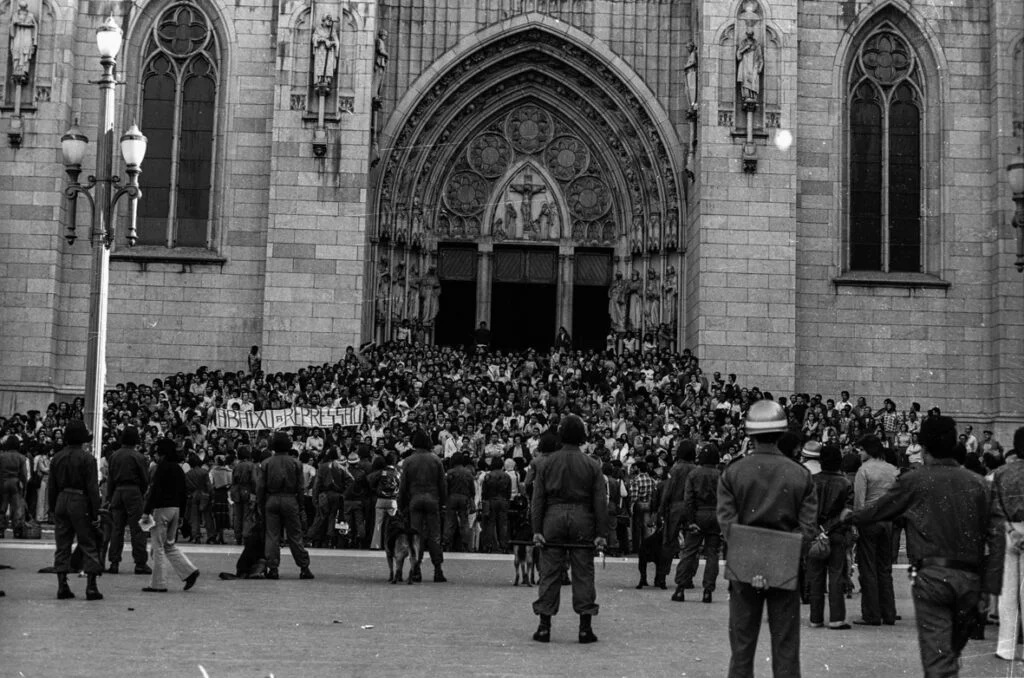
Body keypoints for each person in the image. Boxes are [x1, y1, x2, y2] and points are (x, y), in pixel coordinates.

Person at [845, 416, 1004, 676]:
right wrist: (991, 587)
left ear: (924, 445)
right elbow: (997, 536)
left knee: (939, 660)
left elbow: (878, 510)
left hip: (931, 577)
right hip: (971, 581)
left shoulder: (916, 480)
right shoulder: (978, 484)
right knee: (950, 653)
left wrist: (849, 517)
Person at [717, 400, 818, 678]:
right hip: (785, 570)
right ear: (782, 432)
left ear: (749, 434)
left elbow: (727, 524)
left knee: (741, 649)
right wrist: (773, 565)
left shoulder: (733, 472)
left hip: (743, 570)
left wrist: (755, 565)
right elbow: (807, 529)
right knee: (786, 649)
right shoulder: (801, 475)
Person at [530, 414, 608, 644]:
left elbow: (538, 501)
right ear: (583, 436)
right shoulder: (592, 465)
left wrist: (536, 529)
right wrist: (601, 534)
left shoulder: (546, 463)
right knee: (583, 572)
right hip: (583, 517)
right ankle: (585, 628)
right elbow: (600, 504)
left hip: (552, 517)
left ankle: (544, 626)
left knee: (550, 572)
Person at [48, 421, 104, 600]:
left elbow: (52, 486)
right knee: (88, 542)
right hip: (80, 500)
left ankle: (62, 584)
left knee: (62, 544)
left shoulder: (57, 457)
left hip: (61, 500)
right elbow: (92, 488)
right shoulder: (87, 459)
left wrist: (52, 508)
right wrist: (96, 511)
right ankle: (91, 586)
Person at [141, 439, 200, 593]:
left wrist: (147, 511)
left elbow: (154, 492)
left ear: (162, 454)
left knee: (158, 546)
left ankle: (159, 584)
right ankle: (189, 571)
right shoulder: (179, 469)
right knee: (169, 544)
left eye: (157, 453)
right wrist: (181, 514)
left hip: (161, 510)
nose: (156, 455)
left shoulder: (162, 468)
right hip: (175, 509)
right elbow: (183, 493)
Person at [852, 434, 898, 626]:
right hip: (888, 522)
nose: (860, 453)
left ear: (868, 451)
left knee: (868, 568)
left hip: (869, 522)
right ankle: (889, 613)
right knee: (884, 568)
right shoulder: (892, 470)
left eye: (862, 450)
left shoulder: (864, 470)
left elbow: (859, 503)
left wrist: (855, 525)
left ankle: (872, 614)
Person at [806, 444, 853, 630]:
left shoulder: (811, 481)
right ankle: (836, 618)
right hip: (837, 533)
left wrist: (818, 529)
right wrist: (830, 527)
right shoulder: (845, 483)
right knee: (835, 575)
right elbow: (848, 511)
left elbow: (806, 509)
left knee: (816, 576)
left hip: (815, 534)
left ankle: (815, 617)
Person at [257, 431, 314, 580]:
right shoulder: (296, 463)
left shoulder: (266, 463)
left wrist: (261, 504)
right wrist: (300, 505)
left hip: (272, 499)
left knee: (272, 535)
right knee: (295, 535)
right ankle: (304, 567)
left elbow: (260, 487)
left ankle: (273, 568)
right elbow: (300, 487)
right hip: (290, 500)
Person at [991, 426, 1024, 660]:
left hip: (1008, 530)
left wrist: (1012, 530)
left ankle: (1005, 648)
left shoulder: (1002, 472)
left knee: (1008, 592)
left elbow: (995, 506)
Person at [399, 429, 448, 581]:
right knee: (434, 536)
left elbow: (403, 486)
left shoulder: (408, 461)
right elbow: (442, 484)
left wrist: (402, 505)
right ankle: (438, 569)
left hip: (415, 499)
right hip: (432, 499)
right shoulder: (436, 460)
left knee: (416, 536)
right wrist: (443, 503)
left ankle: (416, 569)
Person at [677, 442, 722, 603]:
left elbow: (688, 500)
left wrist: (689, 521)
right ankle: (708, 591)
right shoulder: (720, 475)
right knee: (712, 554)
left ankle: (680, 588)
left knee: (689, 551)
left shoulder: (694, 474)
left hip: (698, 514)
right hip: (715, 515)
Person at [104, 427, 151, 575]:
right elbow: (145, 480)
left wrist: (109, 498)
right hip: (134, 492)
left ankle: (114, 562)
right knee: (137, 529)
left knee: (117, 529)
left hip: (118, 492)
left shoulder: (114, 456)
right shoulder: (139, 457)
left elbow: (110, 479)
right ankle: (140, 563)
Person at [658, 439, 697, 597]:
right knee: (691, 545)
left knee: (668, 541)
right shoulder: (695, 469)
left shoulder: (675, 469)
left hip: (675, 507)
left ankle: (662, 576)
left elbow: (668, 490)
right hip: (691, 508)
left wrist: (661, 509)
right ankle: (687, 577)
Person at [443, 453, 475, 552]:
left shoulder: (450, 472)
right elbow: (472, 490)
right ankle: (466, 544)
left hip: (452, 497)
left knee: (449, 521)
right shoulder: (468, 473)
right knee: (464, 521)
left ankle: (446, 543)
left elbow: (445, 488)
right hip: (464, 497)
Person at [0, 435, 29, 538]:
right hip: (16, 482)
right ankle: (17, 530)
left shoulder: (2, 456)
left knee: (2, 507)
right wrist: (24, 486)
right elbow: (24, 474)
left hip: (3, 482)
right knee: (17, 507)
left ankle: (1, 529)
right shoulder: (21, 457)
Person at [230, 445, 259, 545]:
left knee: (237, 515)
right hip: (247, 490)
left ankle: (237, 536)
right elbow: (254, 481)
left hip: (237, 491)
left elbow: (233, 480)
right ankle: (245, 536)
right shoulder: (251, 465)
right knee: (247, 515)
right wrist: (255, 493)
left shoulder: (236, 466)